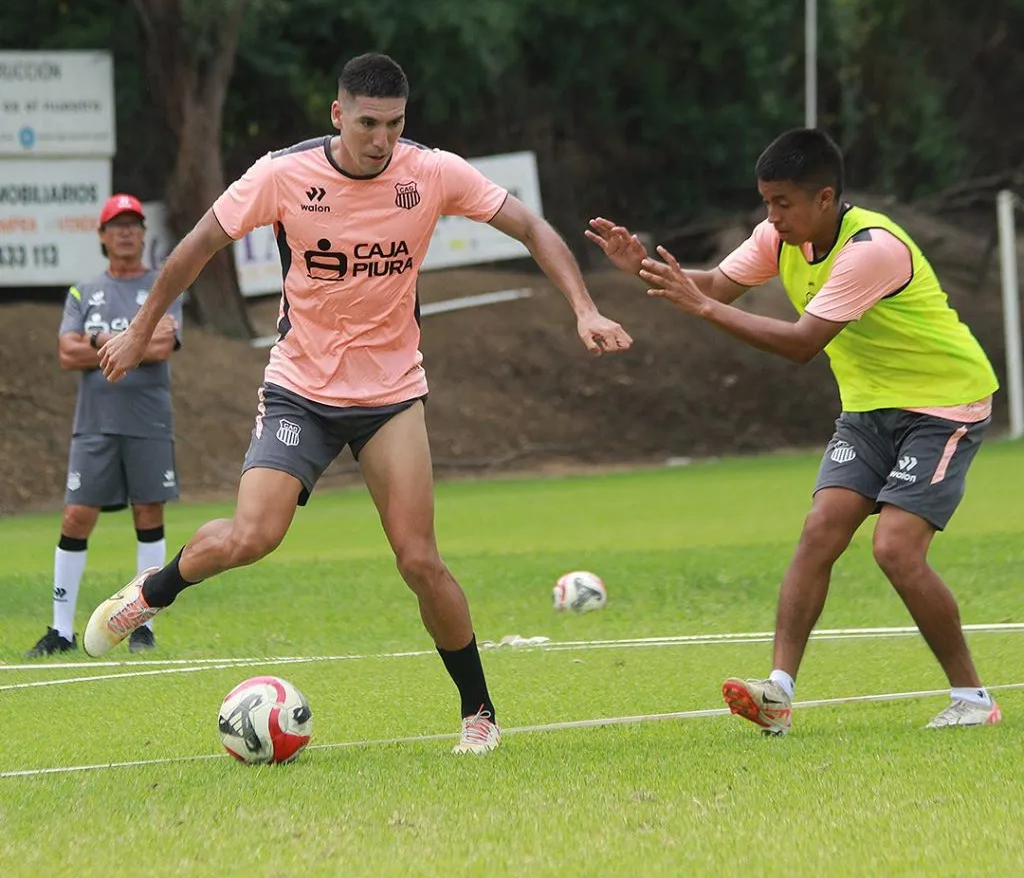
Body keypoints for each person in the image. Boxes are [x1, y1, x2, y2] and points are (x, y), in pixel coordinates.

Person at [84, 52, 633, 754]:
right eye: (368, 123)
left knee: (419, 561)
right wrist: (140, 329)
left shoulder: (431, 172)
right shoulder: (283, 174)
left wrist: (584, 307)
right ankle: (151, 594)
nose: (382, 139)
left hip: (391, 396)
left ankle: (479, 713)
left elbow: (530, 226)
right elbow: (198, 245)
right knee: (253, 536)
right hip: (300, 390)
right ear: (338, 114)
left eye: (395, 124)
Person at [587, 127, 1002, 733]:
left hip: (942, 407)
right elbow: (716, 286)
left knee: (894, 549)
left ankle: (973, 698)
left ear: (825, 198)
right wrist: (641, 268)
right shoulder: (777, 238)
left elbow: (802, 343)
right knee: (820, 530)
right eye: (766, 202)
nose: (771, 216)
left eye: (782, 203)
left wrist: (701, 307)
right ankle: (777, 694)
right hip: (868, 409)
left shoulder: (872, 250)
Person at [27, 193, 182, 658]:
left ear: (143, 233)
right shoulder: (83, 292)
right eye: (117, 225)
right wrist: (128, 341)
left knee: (148, 514)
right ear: (102, 235)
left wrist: (94, 339)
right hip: (94, 424)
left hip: (148, 420)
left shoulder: (162, 286)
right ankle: (60, 630)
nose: (126, 233)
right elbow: (65, 352)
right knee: (76, 516)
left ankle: (142, 627)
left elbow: (161, 347)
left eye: (134, 224)